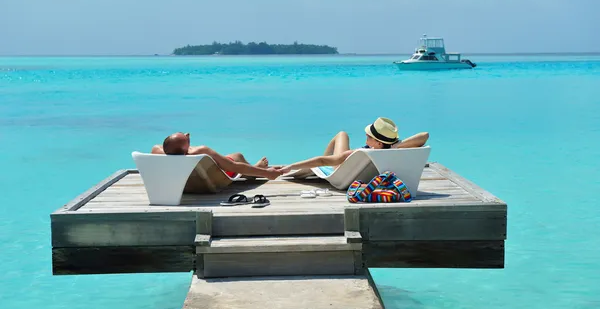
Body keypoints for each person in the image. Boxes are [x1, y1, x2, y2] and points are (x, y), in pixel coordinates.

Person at [280, 117, 429, 173]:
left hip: (341, 170)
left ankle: (317, 171)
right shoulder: (390, 150)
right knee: (343, 135)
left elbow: (322, 160)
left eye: (368, 136)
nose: (366, 138)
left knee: (342, 134)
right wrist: (394, 146)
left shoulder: (359, 153)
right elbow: (424, 136)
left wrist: (291, 166)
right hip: (370, 166)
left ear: (377, 142)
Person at [151, 132, 282, 180]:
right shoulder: (200, 151)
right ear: (186, 151)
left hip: (189, 183)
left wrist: (186, 144)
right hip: (217, 175)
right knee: (237, 156)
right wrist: (266, 173)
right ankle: (255, 171)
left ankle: (254, 169)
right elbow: (233, 166)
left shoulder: (157, 151)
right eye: (187, 140)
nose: (187, 134)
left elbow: (166, 147)